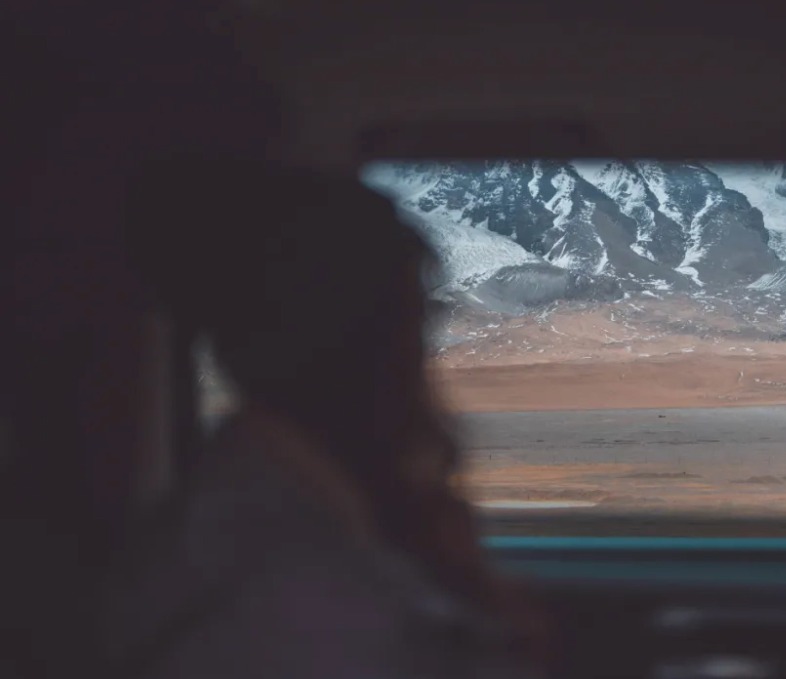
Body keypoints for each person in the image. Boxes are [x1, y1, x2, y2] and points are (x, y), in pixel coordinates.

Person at [99, 154, 547, 678]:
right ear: (371, 348)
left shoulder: (281, 509)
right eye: (414, 325)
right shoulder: (303, 584)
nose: (423, 365)